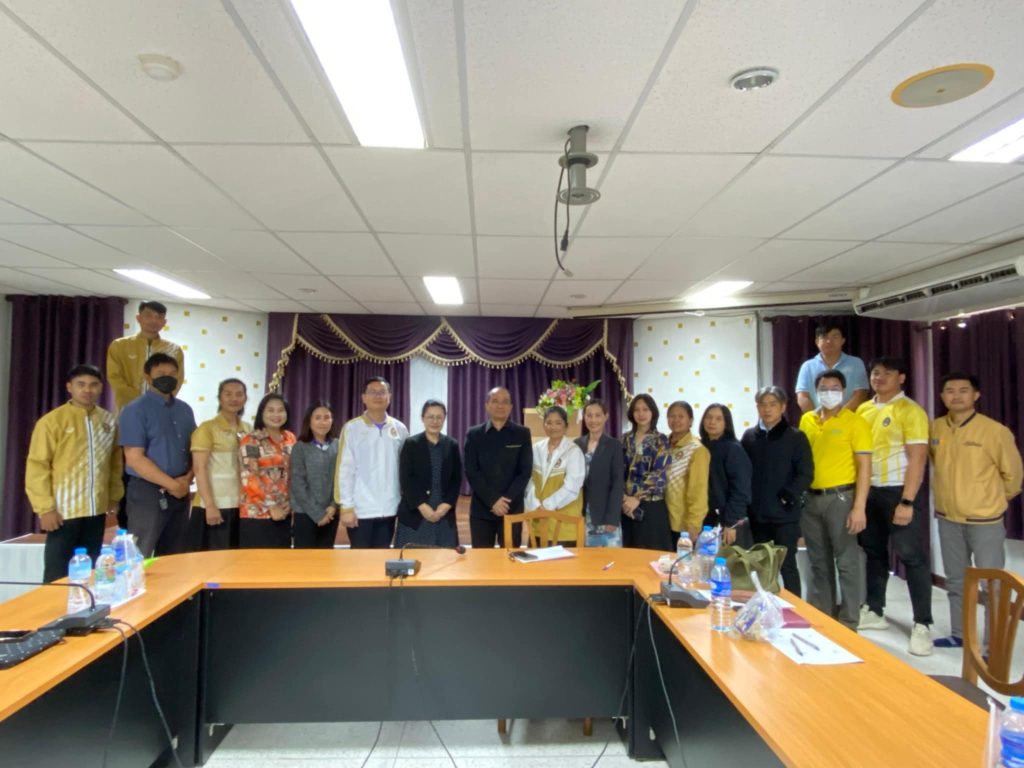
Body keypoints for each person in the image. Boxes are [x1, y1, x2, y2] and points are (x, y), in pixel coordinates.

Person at [930, 372, 1023, 650]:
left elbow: (1013, 476)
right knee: (956, 581)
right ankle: (960, 634)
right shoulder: (935, 428)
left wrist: (991, 500)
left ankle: (993, 646)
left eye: (963, 390)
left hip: (985, 521)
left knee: (991, 585)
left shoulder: (995, 431)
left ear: (976, 395)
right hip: (948, 519)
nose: (956, 395)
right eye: (950, 390)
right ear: (942, 396)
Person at [855, 357, 934, 655]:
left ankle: (922, 624)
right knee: (874, 553)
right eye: (876, 373)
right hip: (868, 490)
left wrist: (907, 501)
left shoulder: (911, 410)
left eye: (887, 373)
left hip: (899, 490)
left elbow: (918, 458)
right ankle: (875, 610)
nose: (880, 378)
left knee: (912, 557)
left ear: (901, 378)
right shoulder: (863, 409)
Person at [26, 364, 124, 583]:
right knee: (57, 574)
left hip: (96, 509)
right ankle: (53, 607)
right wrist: (45, 508)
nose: (87, 390)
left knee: (91, 571)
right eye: (81, 384)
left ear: (101, 388)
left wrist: (113, 497)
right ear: (69, 387)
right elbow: (37, 466)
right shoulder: (52, 422)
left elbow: (115, 463)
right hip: (63, 511)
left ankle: (87, 605)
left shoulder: (108, 421)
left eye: (93, 385)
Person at [798, 370, 871, 631]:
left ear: (844, 391)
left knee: (847, 562)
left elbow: (865, 466)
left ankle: (849, 622)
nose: (829, 393)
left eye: (835, 388)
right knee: (818, 562)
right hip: (811, 499)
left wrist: (859, 507)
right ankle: (824, 618)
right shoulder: (807, 419)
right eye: (824, 388)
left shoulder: (855, 422)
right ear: (816, 391)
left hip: (842, 498)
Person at [118, 352, 196, 557]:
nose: (167, 377)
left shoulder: (185, 410)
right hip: (147, 492)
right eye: (161, 374)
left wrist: (186, 480)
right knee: (139, 552)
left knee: (174, 555)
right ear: (147, 377)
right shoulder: (135, 410)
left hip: (180, 490)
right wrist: (172, 485)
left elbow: (196, 450)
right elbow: (134, 458)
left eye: (172, 373)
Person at [741, 387, 813, 597]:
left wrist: (787, 496)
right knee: (760, 566)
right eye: (762, 404)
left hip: (785, 515)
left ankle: (795, 610)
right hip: (757, 515)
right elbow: (742, 473)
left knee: (787, 565)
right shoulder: (749, 437)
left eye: (772, 404)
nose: (767, 409)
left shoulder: (796, 437)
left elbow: (806, 474)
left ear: (783, 407)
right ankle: (762, 608)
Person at [334, 377, 409, 549]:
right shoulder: (352, 428)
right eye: (372, 392)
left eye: (382, 392)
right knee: (360, 559)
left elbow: (405, 468)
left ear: (389, 397)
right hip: (361, 509)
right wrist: (346, 506)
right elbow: (345, 470)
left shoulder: (400, 429)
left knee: (382, 556)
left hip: (390, 507)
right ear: (363, 397)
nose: (378, 396)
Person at [463, 387, 533, 548]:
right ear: (487, 405)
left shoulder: (522, 433)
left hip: (512, 508)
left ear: (511, 407)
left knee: (511, 557)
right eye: (495, 401)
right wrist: (493, 500)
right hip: (482, 509)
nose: (500, 405)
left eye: (505, 402)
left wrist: (505, 501)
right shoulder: (474, 434)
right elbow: (472, 471)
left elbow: (524, 472)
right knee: (482, 558)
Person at [190, 379, 250, 551]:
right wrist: (210, 505)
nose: (234, 399)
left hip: (240, 505)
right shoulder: (207, 428)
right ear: (220, 398)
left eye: (239, 394)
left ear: (245, 398)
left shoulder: (248, 429)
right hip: (213, 505)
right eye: (228, 394)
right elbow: (199, 468)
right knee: (213, 558)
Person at [395, 400, 463, 549]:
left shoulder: (451, 445)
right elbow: (406, 479)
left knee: (445, 559)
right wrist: (422, 506)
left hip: (443, 513)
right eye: (430, 417)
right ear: (423, 418)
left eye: (439, 417)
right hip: (416, 513)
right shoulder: (411, 444)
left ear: (444, 418)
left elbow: (456, 479)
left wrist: (446, 506)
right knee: (412, 558)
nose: (435, 421)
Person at [106, 300, 185, 415]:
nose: (154, 320)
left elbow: (177, 379)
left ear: (164, 322)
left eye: (159, 317)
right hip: (127, 408)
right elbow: (115, 378)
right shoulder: (119, 345)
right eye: (148, 316)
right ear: (138, 318)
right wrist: (139, 400)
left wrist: (159, 400)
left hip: (159, 408)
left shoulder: (174, 350)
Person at [238, 393, 296, 548]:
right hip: (257, 514)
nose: (276, 415)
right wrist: (271, 506)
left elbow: (294, 474)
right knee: (257, 562)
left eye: (281, 410)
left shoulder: (290, 438)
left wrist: (291, 502)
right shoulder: (251, 440)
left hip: (284, 512)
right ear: (261, 413)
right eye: (270, 410)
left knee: (281, 561)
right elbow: (249, 477)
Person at [524, 406, 586, 545]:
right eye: (549, 423)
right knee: (534, 558)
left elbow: (572, 487)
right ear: (544, 425)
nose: (553, 427)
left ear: (566, 426)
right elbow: (528, 480)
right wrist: (535, 505)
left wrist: (547, 506)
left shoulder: (573, 451)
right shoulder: (536, 448)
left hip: (563, 524)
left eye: (558, 423)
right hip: (538, 521)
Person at [621, 394, 673, 551]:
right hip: (625, 506)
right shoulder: (624, 439)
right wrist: (624, 497)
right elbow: (616, 471)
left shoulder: (661, 440)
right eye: (637, 410)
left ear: (653, 412)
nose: (641, 414)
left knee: (651, 554)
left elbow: (660, 473)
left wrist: (637, 498)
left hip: (651, 506)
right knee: (627, 553)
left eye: (645, 409)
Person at [700, 404, 753, 547]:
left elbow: (741, 489)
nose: (712, 422)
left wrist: (731, 522)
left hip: (727, 520)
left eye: (718, 419)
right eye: (709, 417)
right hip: (706, 519)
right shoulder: (700, 446)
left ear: (726, 423)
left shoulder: (733, 449)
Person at [575, 399, 625, 548]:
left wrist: (612, 518)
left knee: (608, 559)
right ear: (584, 417)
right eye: (589, 415)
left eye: (598, 415)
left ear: (606, 416)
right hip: (582, 514)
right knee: (585, 559)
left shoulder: (614, 445)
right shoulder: (577, 444)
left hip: (605, 514)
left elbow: (618, 483)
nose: (593, 420)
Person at [291, 401, 341, 549]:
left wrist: (333, 506)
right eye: (317, 418)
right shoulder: (300, 447)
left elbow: (341, 479)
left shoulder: (338, 445)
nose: (323, 422)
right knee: (305, 560)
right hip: (305, 513)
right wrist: (318, 514)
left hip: (331, 513)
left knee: (326, 559)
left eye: (327, 417)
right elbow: (298, 484)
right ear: (309, 421)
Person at [795, 321, 869, 413]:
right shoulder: (807, 366)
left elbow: (861, 394)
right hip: (816, 419)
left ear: (843, 340)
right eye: (824, 337)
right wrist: (816, 417)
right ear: (817, 342)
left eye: (835, 337)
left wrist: (839, 417)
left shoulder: (856, 363)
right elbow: (802, 396)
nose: (829, 341)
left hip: (848, 419)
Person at [665, 401, 710, 544]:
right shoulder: (662, 444)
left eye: (681, 416)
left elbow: (698, 490)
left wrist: (694, 524)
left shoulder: (697, 450)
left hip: (682, 524)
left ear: (690, 420)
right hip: (660, 519)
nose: (676, 420)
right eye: (672, 416)